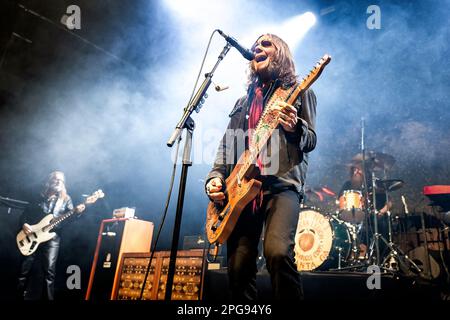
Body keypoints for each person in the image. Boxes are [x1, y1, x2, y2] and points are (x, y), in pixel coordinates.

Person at [205, 34, 317, 300]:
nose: (258, 47)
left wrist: (294, 127)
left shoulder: (299, 92)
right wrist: (215, 177)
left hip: (281, 186)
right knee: (238, 267)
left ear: (281, 54)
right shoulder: (243, 102)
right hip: (241, 192)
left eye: (266, 44)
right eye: (256, 45)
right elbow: (226, 146)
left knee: (277, 253)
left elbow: (311, 139)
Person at [17, 171, 85, 300]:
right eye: (56, 179)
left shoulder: (66, 199)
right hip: (32, 235)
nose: (59, 182)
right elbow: (25, 214)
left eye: (62, 180)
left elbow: (68, 219)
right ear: (49, 181)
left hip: (52, 238)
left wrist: (77, 213)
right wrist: (24, 224)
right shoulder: (37, 196)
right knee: (23, 270)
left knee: (49, 273)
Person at [338, 163, 392, 259]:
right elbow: (340, 200)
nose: (356, 172)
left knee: (381, 224)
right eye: (354, 170)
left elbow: (389, 202)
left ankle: (381, 256)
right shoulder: (347, 184)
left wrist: (382, 212)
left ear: (365, 172)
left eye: (358, 170)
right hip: (354, 217)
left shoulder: (374, 184)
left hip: (374, 216)